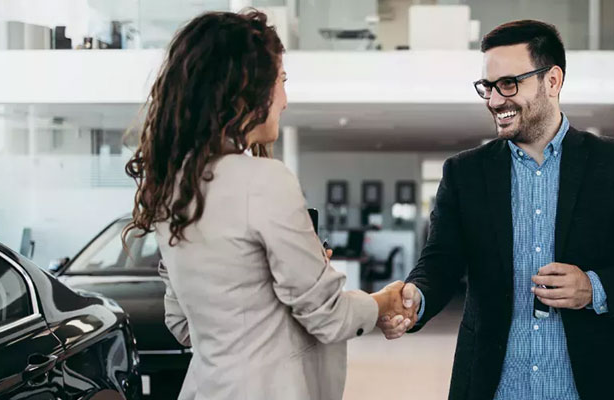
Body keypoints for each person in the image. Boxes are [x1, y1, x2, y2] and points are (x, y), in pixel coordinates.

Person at [379, 20, 614, 400]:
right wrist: (415, 298)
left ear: (552, 81)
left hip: (596, 384)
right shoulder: (464, 173)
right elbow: (440, 262)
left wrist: (594, 287)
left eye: (509, 84)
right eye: (488, 87)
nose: (495, 101)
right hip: (494, 386)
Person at [122, 10, 411, 400]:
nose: (286, 102)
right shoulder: (263, 180)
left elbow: (183, 323)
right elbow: (327, 316)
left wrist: (288, 281)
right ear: (246, 89)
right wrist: (382, 302)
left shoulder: (170, 188)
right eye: (282, 82)